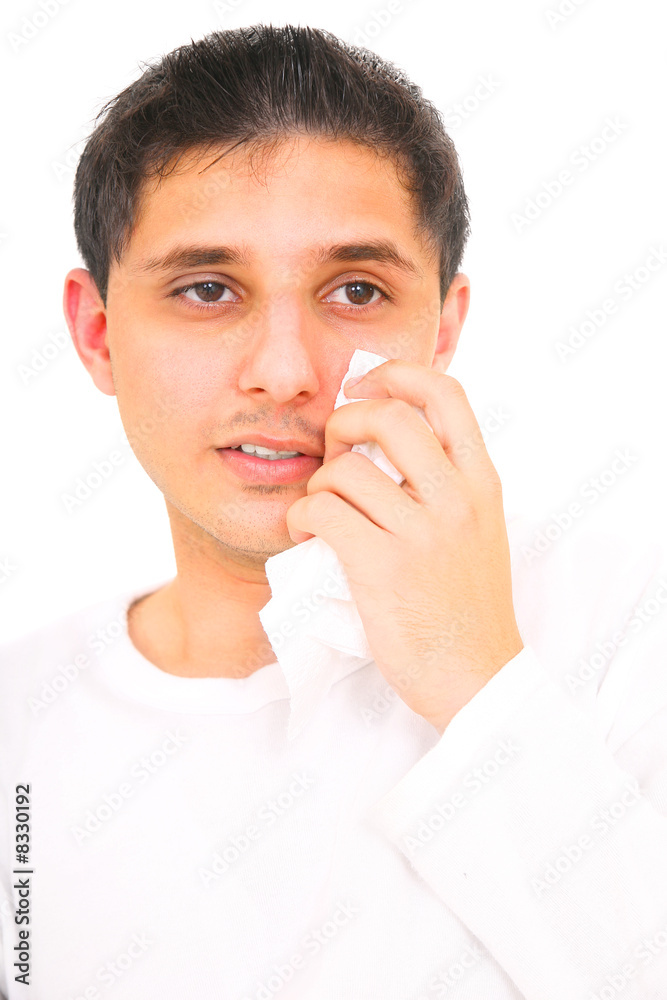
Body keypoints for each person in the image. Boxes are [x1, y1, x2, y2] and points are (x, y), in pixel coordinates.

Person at [1, 23, 666, 999]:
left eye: (356, 290)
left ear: (441, 329)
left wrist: (477, 681)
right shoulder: (22, 714)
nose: (283, 372)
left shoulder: (627, 627)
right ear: (98, 333)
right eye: (206, 289)